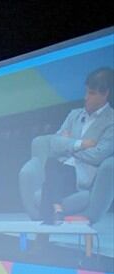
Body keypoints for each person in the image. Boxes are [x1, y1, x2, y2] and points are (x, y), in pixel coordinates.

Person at [40, 67, 114, 224]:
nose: (86, 97)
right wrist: (80, 144)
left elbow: (98, 155)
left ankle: (42, 240)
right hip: (59, 171)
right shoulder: (74, 114)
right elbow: (53, 144)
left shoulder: (111, 121)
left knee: (53, 171)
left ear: (105, 94)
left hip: (80, 176)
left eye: (92, 93)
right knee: (52, 163)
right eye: (86, 91)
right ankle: (57, 208)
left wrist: (69, 145)